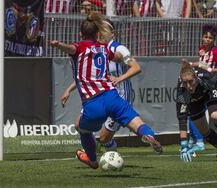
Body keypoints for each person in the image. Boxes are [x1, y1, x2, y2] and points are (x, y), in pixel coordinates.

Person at [50, 12, 163, 169]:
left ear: (80, 34)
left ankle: (93, 160)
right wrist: (122, 57)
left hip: (93, 101)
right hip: (112, 96)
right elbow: (116, 57)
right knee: (135, 122)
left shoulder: (81, 46)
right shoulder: (103, 48)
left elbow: (70, 49)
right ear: (97, 33)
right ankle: (148, 134)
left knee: (83, 129)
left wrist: (58, 45)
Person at [61, 17, 140, 152]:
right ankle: (96, 152)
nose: (101, 31)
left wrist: (119, 79)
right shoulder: (94, 48)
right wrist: (68, 90)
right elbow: (86, 76)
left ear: (112, 33)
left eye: (105, 28)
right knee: (78, 125)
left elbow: (136, 67)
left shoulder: (118, 48)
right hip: (99, 96)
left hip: (119, 97)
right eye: (99, 28)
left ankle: (111, 155)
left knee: (104, 138)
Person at [176, 61, 217, 162]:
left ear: (196, 78)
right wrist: (184, 145)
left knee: (215, 116)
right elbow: (182, 119)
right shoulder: (182, 92)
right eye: (185, 83)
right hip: (194, 101)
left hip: (209, 93)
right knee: (203, 131)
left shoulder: (206, 78)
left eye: (190, 81)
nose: (188, 86)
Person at [187, 24, 217, 155]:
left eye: (210, 38)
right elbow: (201, 65)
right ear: (202, 37)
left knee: (215, 116)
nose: (207, 40)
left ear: (214, 40)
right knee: (193, 113)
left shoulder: (215, 52)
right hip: (200, 87)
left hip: (211, 87)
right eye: (205, 37)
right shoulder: (201, 50)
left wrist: (211, 70)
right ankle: (197, 141)